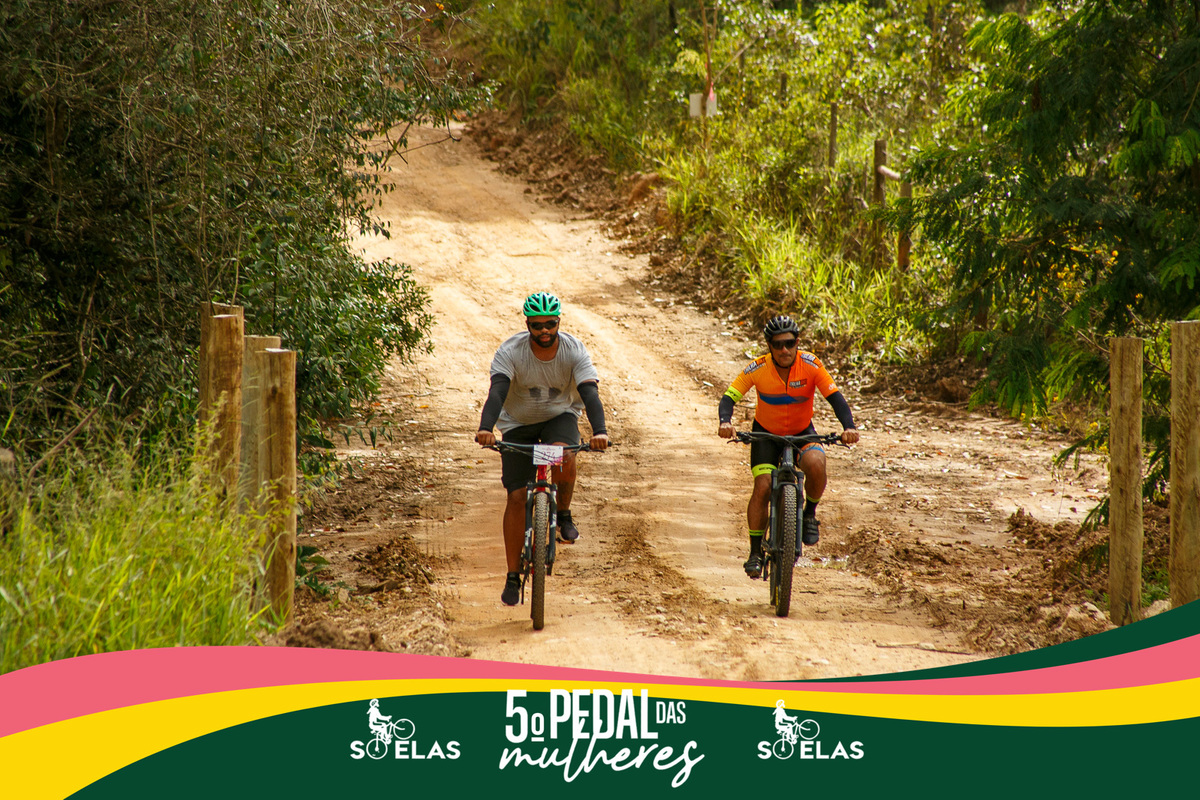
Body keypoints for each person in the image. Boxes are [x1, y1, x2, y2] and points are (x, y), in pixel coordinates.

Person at [476, 292, 609, 606]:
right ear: (527, 325)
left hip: (558, 417)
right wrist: (486, 428)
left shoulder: (574, 350)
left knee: (564, 453)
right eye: (537, 326)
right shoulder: (511, 351)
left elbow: (590, 394)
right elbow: (497, 392)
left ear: (559, 321)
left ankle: (563, 515)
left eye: (550, 323)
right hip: (517, 422)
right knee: (516, 497)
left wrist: (600, 431)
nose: (544, 330)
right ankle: (512, 576)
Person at [717, 315, 860, 578]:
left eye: (790, 343)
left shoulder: (811, 364)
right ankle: (755, 552)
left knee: (816, 463)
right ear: (769, 346)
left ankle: (809, 514)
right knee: (762, 487)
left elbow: (835, 398)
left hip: (802, 431)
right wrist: (725, 422)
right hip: (765, 434)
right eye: (778, 344)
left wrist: (848, 427)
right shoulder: (757, 368)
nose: (784, 350)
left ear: (797, 343)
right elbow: (729, 397)